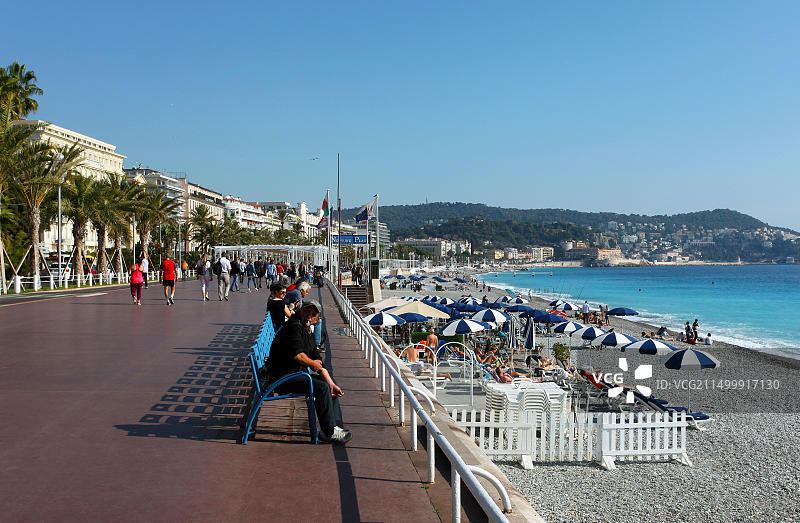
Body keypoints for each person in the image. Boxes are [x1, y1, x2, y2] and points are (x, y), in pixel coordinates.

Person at [267, 301, 352, 444]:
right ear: (301, 310)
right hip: (283, 378)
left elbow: (315, 354)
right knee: (322, 388)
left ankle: (334, 425)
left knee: (329, 384)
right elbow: (298, 355)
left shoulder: (305, 329)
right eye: (307, 311)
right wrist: (313, 364)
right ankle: (329, 431)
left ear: (316, 319)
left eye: (313, 315)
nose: (309, 316)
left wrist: (329, 379)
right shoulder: (294, 327)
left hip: (293, 374)